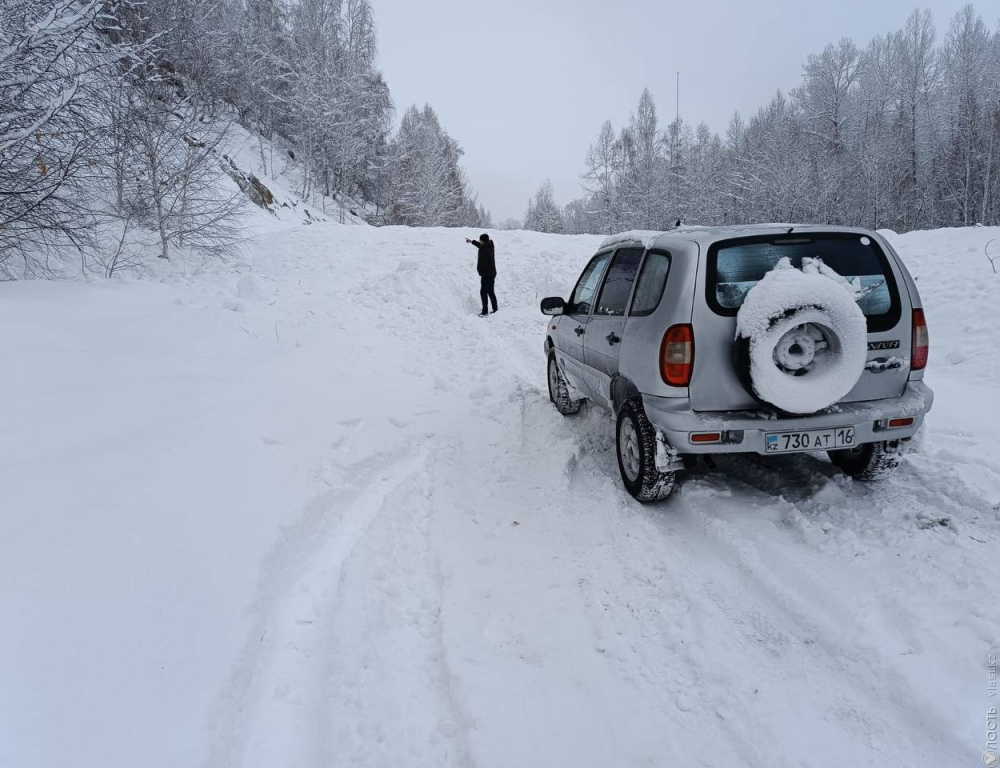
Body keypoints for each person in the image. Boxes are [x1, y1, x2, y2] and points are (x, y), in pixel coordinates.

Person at [465, 233, 498, 316]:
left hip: (487, 274)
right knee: (490, 291)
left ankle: (485, 311)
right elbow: (480, 245)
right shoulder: (489, 246)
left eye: (480, 240)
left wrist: (481, 271)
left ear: (483, 241)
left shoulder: (486, 250)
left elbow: (485, 263)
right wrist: (472, 241)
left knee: (483, 292)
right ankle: (495, 309)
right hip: (492, 273)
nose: (480, 241)